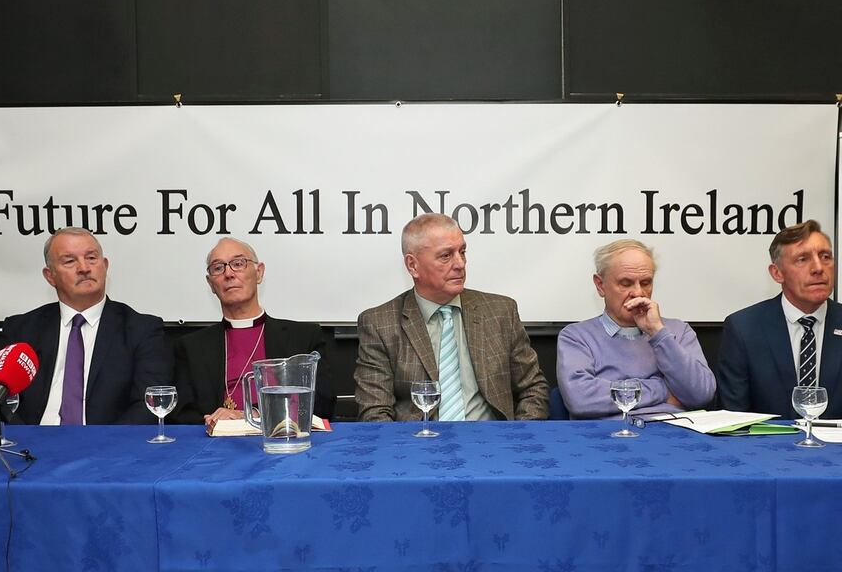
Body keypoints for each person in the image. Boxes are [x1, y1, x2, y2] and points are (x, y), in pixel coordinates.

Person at [354, 213, 548, 422]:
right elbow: (374, 411)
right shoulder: (380, 324)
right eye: (445, 256)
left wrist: (515, 440)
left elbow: (533, 389)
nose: (460, 264)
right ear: (413, 265)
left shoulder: (500, 312)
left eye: (462, 252)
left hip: (492, 445)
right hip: (418, 445)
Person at [1, 227, 170, 425]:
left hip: (108, 446)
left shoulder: (141, 330)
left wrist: (103, 447)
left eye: (91, 258)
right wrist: (27, 443)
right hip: (33, 446)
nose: (84, 268)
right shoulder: (22, 329)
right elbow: (0, 401)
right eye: (70, 261)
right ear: (50, 276)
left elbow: (147, 404)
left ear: (105, 266)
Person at [173, 237, 335, 428]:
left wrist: (252, 414)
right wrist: (215, 422)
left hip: (282, 439)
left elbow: (323, 403)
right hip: (215, 446)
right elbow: (181, 413)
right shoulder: (191, 346)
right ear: (210, 284)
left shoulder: (303, 337)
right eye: (218, 268)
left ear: (259, 273)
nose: (229, 274)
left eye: (238, 264)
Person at [556, 240, 715, 419]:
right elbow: (581, 399)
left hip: (674, 435)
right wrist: (662, 389)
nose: (638, 292)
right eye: (626, 283)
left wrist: (658, 333)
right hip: (606, 439)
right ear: (600, 285)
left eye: (646, 282)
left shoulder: (678, 331)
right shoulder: (577, 337)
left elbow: (702, 393)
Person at [718, 220, 842, 419]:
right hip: (766, 448)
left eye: (825, 257)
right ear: (777, 273)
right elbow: (733, 418)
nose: (818, 268)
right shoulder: (744, 328)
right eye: (802, 259)